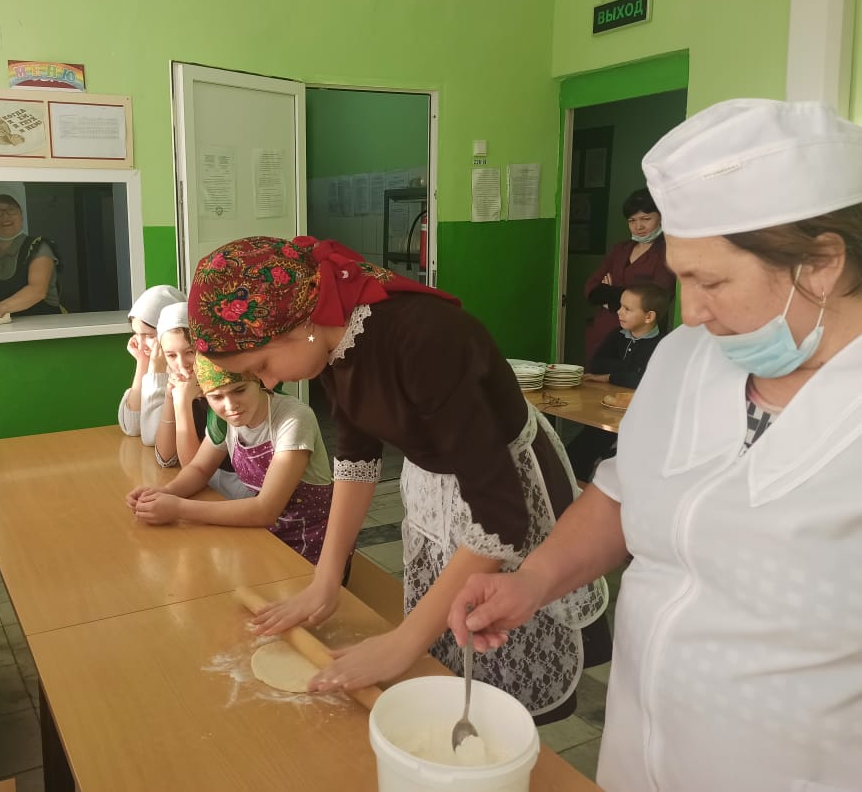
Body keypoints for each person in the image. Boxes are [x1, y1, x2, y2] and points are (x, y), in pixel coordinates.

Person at [448, 99, 862, 791]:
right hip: (639, 749)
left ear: (820, 263)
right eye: (682, 277)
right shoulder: (686, 358)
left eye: (712, 281)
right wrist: (532, 581)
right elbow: (622, 493)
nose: (690, 311)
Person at [188, 236, 607, 720]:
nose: (268, 383)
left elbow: (499, 522)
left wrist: (404, 642)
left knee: (492, 653)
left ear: (300, 323)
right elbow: (356, 458)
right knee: (446, 649)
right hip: (438, 480)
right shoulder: (333, 340)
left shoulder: (424, 339)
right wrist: (325, 581)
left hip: (501, 485)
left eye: (260, 367)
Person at [126, 354, 332, 565]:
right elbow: (199, 469)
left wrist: (178, 508)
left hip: (311, 545)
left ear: (258, 379)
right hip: (263, 535)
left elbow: (266, 510)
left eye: (239, 390)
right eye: (216, 397)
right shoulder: (224, 420)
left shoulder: (294, 419)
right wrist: (165, 492)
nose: (230, 405)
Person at [566, 283, 670, 481]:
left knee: (612, 466)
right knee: (572, 457)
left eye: (627, 309)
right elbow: (597, 364)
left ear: (649, 316)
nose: (619, 312)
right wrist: (631, 370)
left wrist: (611, 376)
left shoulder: (662, 346)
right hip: (604, 414)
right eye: (620, 306)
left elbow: (644, 380)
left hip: (637, 423)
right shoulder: (617, 335)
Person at [151, 302, 249, 499]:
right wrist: (170, 397)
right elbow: (165, 457)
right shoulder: (184, 385)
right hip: (213, 489)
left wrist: (182, 403)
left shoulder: (227, 392)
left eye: (190, 352)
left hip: (241, 490)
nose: (181, 365)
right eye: (171, 355)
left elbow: (193, 469)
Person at [583, 187, 676, 359]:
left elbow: (656, 299)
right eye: (632, 220)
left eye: (646, 219)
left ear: (661, 217)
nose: (638, 226)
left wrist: (609, 296)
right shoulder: (620, 249)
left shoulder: (668, 253)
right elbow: (591, 289)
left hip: (640, 337)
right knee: (595, 373)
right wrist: (629, 296)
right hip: (603, 331)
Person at [0, 184, 62, 320]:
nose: (5, 216)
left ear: (21, 216)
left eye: (12, 209)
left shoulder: (39, 247)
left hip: (43, 326)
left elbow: (37, 291)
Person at [118, 284, 186, 445]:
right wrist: (142, 363)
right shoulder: (154, 360)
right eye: (136, 334)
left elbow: (153, 437)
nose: (141, 344)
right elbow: (131, 427)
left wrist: (156, 371)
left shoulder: (184, 369)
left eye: (149, 335)